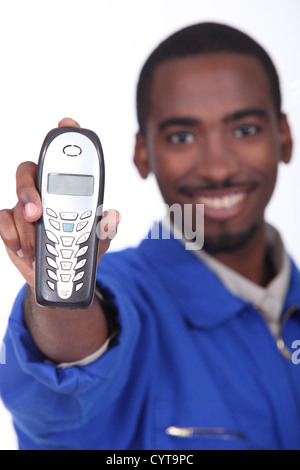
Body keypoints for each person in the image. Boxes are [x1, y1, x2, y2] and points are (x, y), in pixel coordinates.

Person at [0, 22, 299, 451]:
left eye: (245, 129)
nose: (218, 168)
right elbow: (66, 385)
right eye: (182, 136)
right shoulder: (123, 291)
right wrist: (59, 296)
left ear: (284, 137)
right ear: (143, 154)